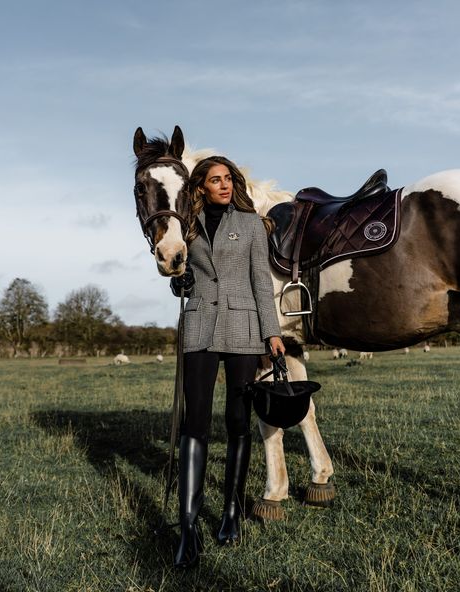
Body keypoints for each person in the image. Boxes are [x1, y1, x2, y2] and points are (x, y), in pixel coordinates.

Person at [170, 155, 285, 569]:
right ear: (200, 186)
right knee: (194, 423)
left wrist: (272, 333)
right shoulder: (186, 223)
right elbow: (181, 273)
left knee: (238, 421)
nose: (222, 185)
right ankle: (188, 526)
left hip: (244, 328)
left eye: (227, 179)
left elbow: (260, 280)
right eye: (214, 180)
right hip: (200, 324)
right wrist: (178, 281)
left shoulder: (252, 224)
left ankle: (232, 512)